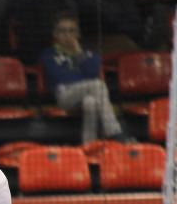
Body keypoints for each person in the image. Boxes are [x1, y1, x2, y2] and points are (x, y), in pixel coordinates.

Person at [40, 11, 134, 145]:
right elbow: (59, 77)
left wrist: (78, 53)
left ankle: (89, 146)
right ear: (55, 34)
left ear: (77, 34)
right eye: (62, 31)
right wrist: (81, 74)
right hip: (64, 96)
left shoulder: (88, 55)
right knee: (98, 85)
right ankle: (113, 131)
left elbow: (93, 72)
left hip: (86, 93)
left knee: (90, 102)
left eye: (71, 31)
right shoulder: (48, 55)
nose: (67, 35)